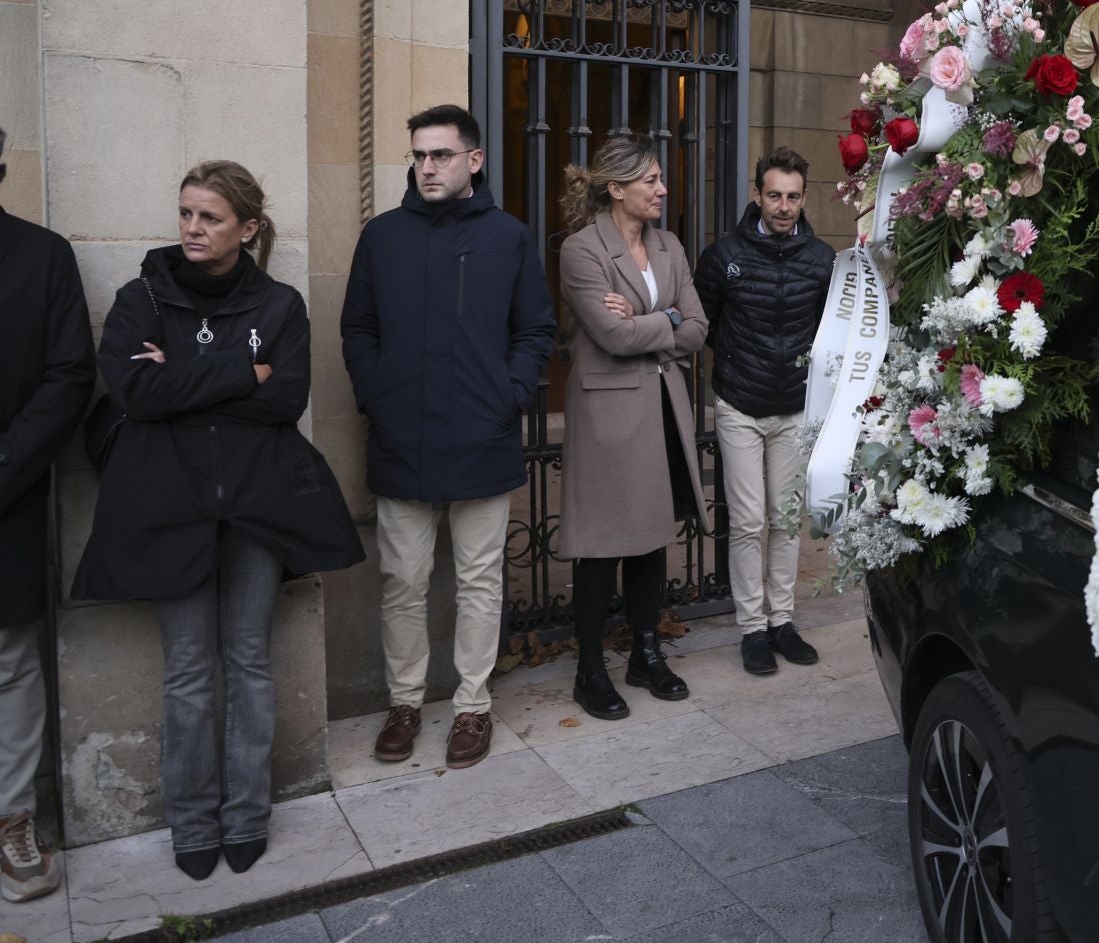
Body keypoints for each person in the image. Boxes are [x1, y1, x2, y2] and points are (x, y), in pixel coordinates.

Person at [72, 161, 363, 880]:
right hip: (170, 508)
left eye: (210, 217)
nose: (193, 229)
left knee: (249, 661)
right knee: (189, 672)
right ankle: (193, 822)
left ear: (248, 229)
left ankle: (246, 817)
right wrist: (242, 372)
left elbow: (284, 397)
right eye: (186, 214)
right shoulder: (141, 297)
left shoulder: (281, 305)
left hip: (257, 506)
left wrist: (185, 380)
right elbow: (136, 393)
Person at [342, 104, 555, 770]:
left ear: (474, 160)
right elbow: (359, 330)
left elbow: (535, 332)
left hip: (483, 436)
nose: (427, 167)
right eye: (419, 155)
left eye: (440, 154)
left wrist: (509, 395)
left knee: (479, 580)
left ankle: (471, 706)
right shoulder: (382, 237)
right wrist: (377, 394)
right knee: (402, 580)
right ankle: (404, 703)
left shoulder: (509, 238)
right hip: (402, 437)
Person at [556, 138, 710, 719]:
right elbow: (610, 335)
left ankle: (646, 655)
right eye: (650, 180)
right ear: (615, 188)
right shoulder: (581, 249)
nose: (662, 190)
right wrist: (665, 321)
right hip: (607, 415)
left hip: (664, 406)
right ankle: (589, 670)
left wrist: (654, 317)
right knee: (600, 546)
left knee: (651, 537)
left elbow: (697, 326)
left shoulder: (668, 245)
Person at [694, 146, 835, 675]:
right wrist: (733, 365)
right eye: (773, 195)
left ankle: (783, 622)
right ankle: (752, 628)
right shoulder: (722, 256)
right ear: (757, 195)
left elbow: (831, 334)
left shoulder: (823, 260)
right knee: (750, 521)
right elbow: (701, 324)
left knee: (785, 520)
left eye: (792, 197)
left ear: (803, 198)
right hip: (740, 406)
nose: (783, 206)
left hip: (794, 409)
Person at [0, 128, 94, 904]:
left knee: (10, 664)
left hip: (9, 495)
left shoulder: (42, 257)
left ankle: (14, 819)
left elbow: (69, 376)